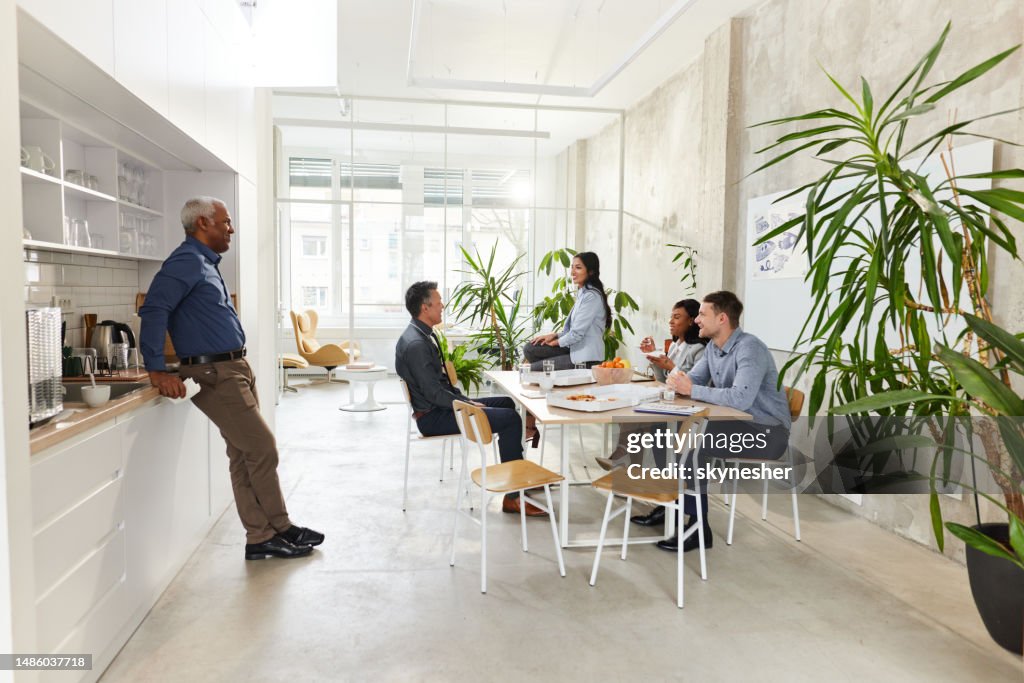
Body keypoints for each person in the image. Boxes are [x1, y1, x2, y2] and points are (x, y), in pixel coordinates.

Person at [140, 197, 324, 561]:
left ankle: (262, 536)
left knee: (242, 455)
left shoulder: (205, 263)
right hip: (216, 373)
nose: (231, 229)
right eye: (226, 222)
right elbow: (154, 308)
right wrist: (156, 368)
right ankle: (279, 527)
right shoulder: (186, 262)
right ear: (204, 223)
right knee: (262, 447)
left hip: (234, 368)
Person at [395, 281, 545, 516]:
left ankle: (517, 476)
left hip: (441, 407)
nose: (442, 305)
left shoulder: (421, 334)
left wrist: (466, 401)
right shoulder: (416, 344)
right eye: (438, 301)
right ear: (425, 307)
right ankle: (513, 497)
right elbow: (434, 394)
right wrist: (467, 404)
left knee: (506, 403)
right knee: (510, 419)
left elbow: (438, 385)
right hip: (433, 417)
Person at [659, 290, 792, 553]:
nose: (697, 320)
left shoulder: (749, 348)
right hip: (737, 425)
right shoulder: (713, 349)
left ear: (721, 319)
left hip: (767, 433)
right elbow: (692, 381)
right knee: (663, 432)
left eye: (702, 314)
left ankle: (697, 528)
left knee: (694, 446)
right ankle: (667, 508)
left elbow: (740, 398)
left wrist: (690, 389)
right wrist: (676, 381)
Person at [523, 251, 610, 371]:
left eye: (578, 268)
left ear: (591, 271)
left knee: (532, 369)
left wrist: (556, 342)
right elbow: (573, 330)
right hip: (574, 348)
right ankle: (557, 375)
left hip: (586, 357)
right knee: (530, 349)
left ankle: (559, 373)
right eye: (572, 267)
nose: (572, 272)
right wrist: (554, 335)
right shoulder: (583, 293)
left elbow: (577, 334)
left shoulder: (592, 297)